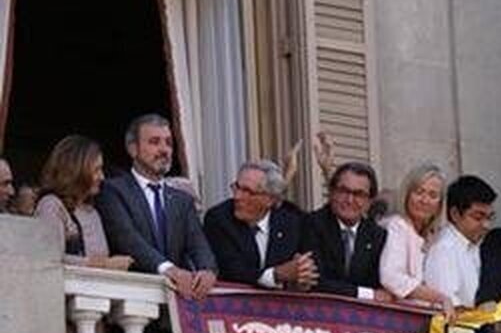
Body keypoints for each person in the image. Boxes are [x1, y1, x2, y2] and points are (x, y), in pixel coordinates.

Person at [95, 113, 217, 300]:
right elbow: (127, 239)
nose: (164, 149)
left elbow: (199, 245)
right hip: (132, 300)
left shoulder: (182, 200)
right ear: (133, 149)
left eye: (168, 143)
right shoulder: (112, 190)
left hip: (176, 304)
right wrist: (169, 269)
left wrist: (207, 271)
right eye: (154, 142)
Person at [203, 159, 316, 290]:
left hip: (282, 307)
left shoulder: (293, 220)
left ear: (270, 199)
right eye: (237, 187)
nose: (237, 197)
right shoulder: (218, 219)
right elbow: (231, 270)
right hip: (235, 306)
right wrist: (276, 275)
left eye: (248, 191)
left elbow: (311, 266)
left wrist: (303, 276)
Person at [35, 134, 131, 271]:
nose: (102, 177)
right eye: (97, 170)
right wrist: (104, 264)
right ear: (77, 170)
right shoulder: (51, 205)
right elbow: (50, 259)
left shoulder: (93, 212)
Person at [302, 161, 392, 302]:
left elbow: (380, 283)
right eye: (343, 191)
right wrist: (369, 294)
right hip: (317, 313)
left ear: (369, 201)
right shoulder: (310, 224)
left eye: (359, 194)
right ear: (331, 192)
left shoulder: (378, 235)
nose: (349, 200)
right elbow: (315, 282)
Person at [378, 163, 454, 314]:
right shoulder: (397, 226)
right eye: (419, 192)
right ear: (407, 195)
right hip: (398, 321)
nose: (424, 200)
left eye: (433, 195)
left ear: (440, 204)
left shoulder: (434, 236)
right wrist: (439, 298)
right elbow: (391, 276)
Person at [424, 175, 496, 308]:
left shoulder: (477, 245)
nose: (486, 225)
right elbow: (449, 307)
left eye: (490, 217)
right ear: (455, 214)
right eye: (478, 217)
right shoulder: (444, 249)